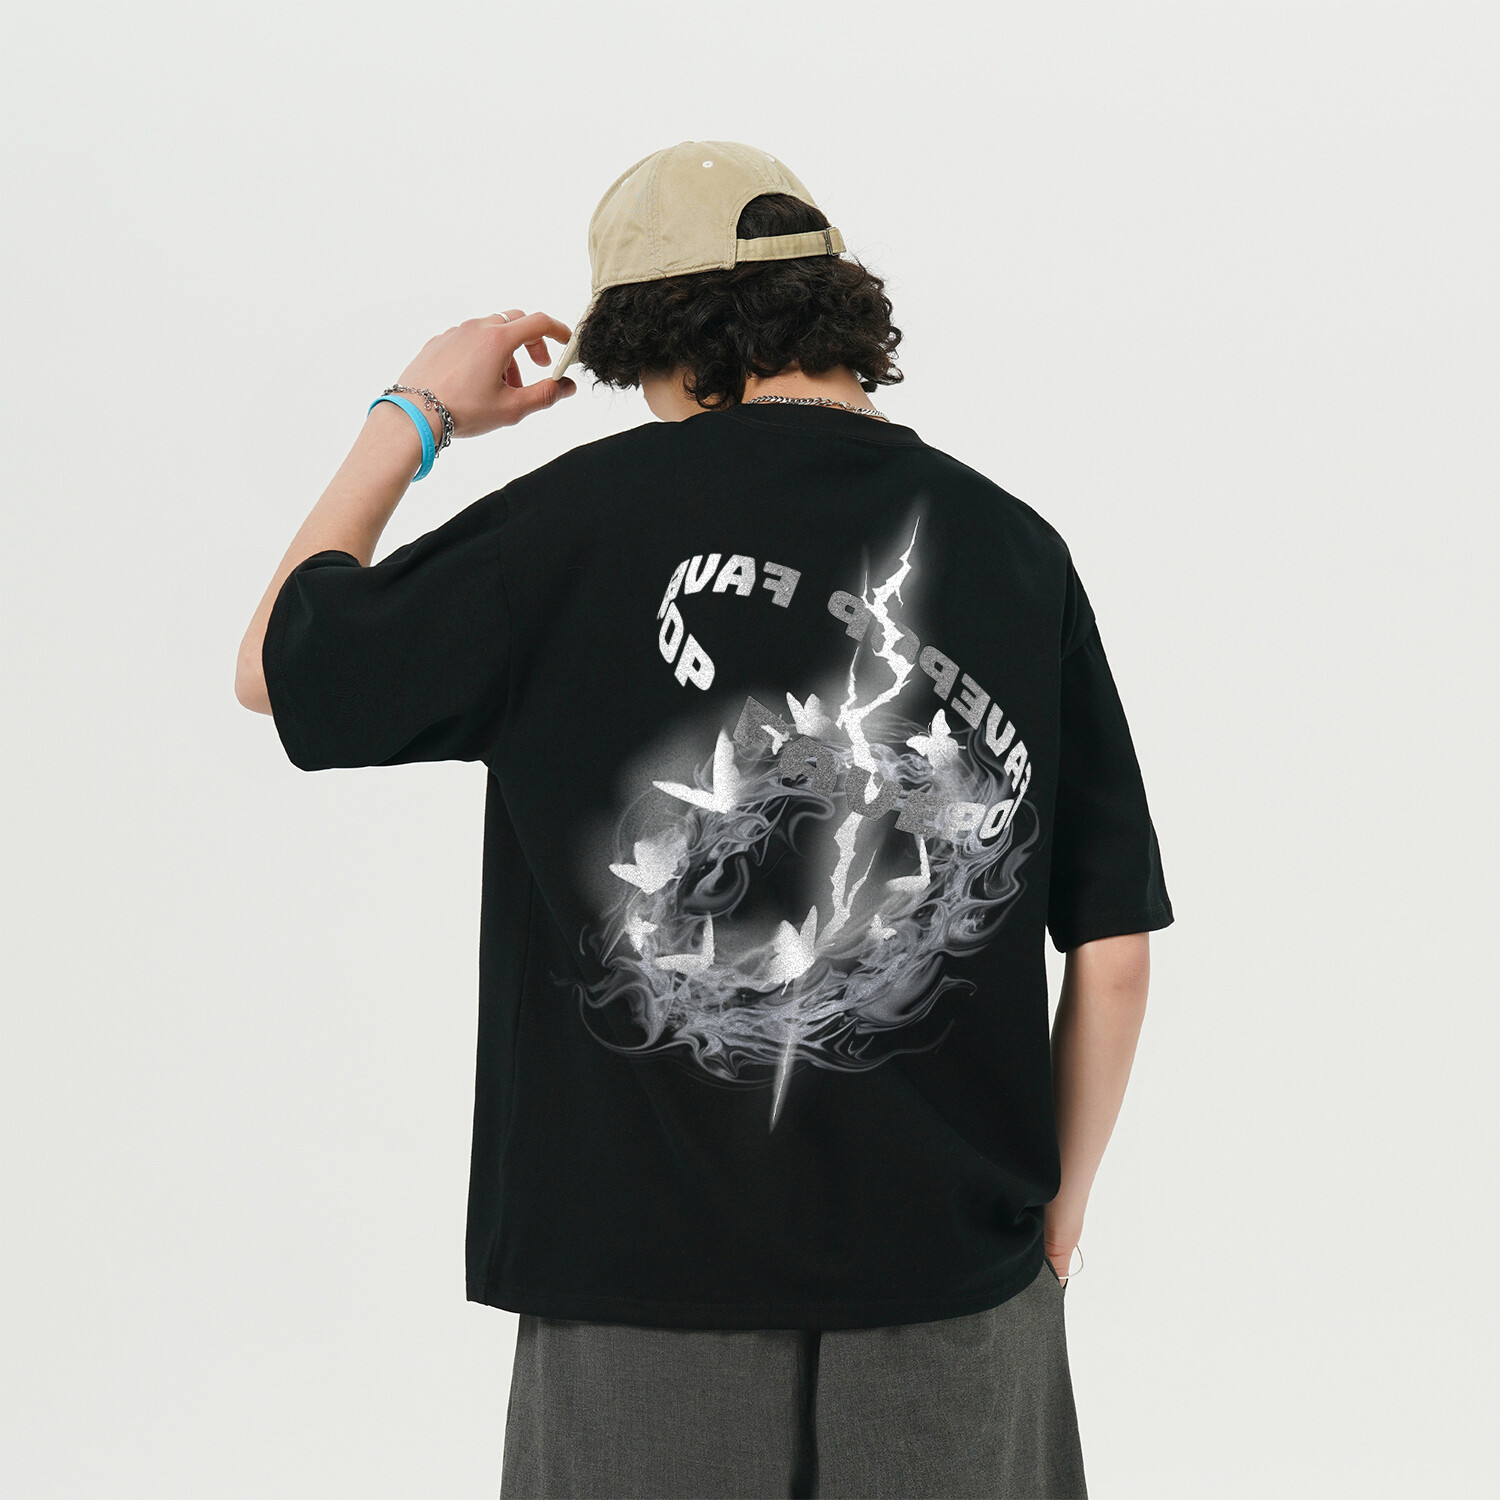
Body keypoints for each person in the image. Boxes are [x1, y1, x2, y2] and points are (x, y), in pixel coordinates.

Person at [236, 139, 1172, 1500]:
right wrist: (1058, 1219)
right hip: (954, 1297)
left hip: (638, 1298)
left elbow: (280, 667)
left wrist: (415, 414)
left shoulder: (574, 525)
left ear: (659, 343)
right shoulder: (1019, 550)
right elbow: (1117, 953)